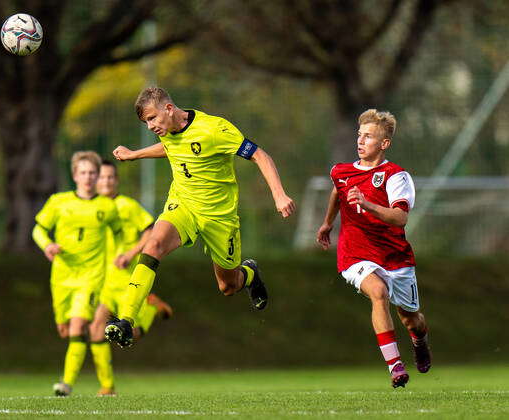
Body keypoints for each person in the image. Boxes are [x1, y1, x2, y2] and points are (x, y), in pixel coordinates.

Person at [105, 86, 295, 348]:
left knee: (228, 286)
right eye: (145, 121)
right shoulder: (169, 130)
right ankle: (126, 319)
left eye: (152, 118)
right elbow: (171, 148)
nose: (150, 126)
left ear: (169, 108)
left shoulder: (214, 129)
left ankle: (249, 274)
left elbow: (260, 156)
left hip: (219, 217)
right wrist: (134, 154)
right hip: (183, 206)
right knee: (154, 245)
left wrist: (279, 195)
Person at [316, 109, 431, 388]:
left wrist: (367, 203)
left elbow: (400, 217)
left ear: (384, 144)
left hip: (395, 255)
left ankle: (419, 341)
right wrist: (327, 224)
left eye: (368, 136)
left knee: (411, 318)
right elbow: (337, 191)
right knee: (377, 292)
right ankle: (395, 366)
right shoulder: (340, 171)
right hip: (355, 252)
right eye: (359, 135)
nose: (361, 140)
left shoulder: (396, 176)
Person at [32, 151, 122, 396]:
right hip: (61, 276)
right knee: (65, 328)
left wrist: (122, 256)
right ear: (74, 175)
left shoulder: (107, 206)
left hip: (91, 276)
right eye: (83, 172)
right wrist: (47, 245)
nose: (88, 177)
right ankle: (103, 384)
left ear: (97, 176)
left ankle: (66, 384)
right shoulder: (58, 202)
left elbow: (120, 235)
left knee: (78, 323)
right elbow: (38, 230)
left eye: (92, 173)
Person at [89, 160, 173, 395]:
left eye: (110, 177)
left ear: (116, 180)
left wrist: (130, 253)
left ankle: (151, 310)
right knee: (96, 329)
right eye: (102, 177)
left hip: (128, 278)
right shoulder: (91, 207)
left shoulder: (127, 205)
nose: (105, 181)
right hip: (106, 280)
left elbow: (150, 232)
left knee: (128, 336)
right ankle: (107, 386)